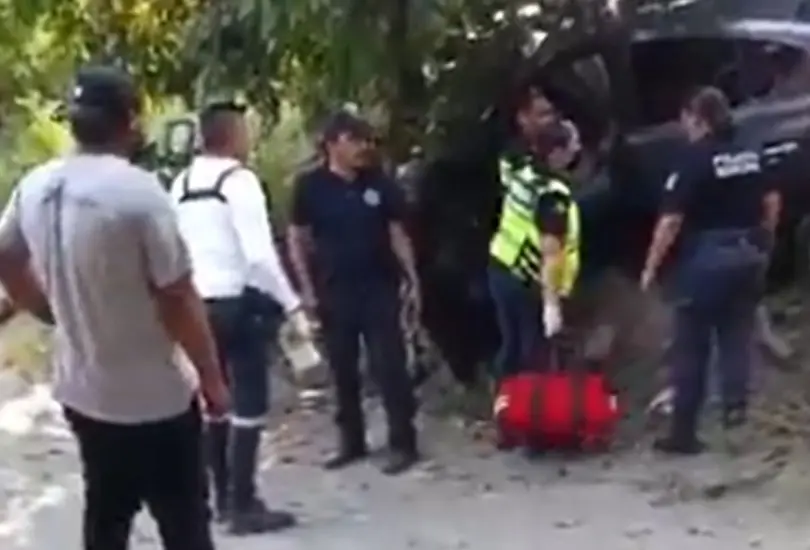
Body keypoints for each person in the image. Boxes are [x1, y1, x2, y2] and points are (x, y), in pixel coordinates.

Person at [0, 65, 229, 550]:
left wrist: (45, 309)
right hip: (155, 399)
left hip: (83, 391)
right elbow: (178, 297)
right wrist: (211, 379)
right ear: (131, 120)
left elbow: (7, 258)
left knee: (106, 512)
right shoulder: (139, 195)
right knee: (184, 520)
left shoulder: (36, 185)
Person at [170, 99, 309, 534]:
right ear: (231, 136)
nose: (250, 138)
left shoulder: (180, 183)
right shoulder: (240, 180)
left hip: (195, 304)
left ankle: (222, 497)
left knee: (214, 399)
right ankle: (244, 503)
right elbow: (259, 257)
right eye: (245, 130)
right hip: (235, 302)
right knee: (250, 400)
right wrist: (292, 304)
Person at [641, 86, 780, 455]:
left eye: (686, 119)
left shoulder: (693, 159)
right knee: (736, 336)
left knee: (690, 345)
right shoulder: (750, 151)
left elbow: (670, 221)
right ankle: (735, 412)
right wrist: (766, 240)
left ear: (697, 118)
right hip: (749, 253)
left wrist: (651, 268)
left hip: (706, 260)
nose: (683, 127)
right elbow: (772, 199)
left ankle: (683, 434)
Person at [288, 110, 420, 475]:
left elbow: (397, 233)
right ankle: (352, 441)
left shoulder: (379, 183)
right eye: (355, 140)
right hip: (334, 289)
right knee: (343, 368)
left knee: (389, 365)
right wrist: (305, 288)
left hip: (379, 285)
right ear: (333, 144)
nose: (363, 148)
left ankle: (402, 441)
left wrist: (412, 277)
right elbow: (299, 239)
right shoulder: (310, 186)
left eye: (366, 141)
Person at [487, 87, 581, 384]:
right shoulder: (552, 195)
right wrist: (552, 307)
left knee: (512, 349)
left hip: (501, 267)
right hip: (528, 279)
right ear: (556, 152)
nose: (577, 149)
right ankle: (528, 419)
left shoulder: (525, 172)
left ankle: (505, 409)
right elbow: (551, 253)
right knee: (533, 357)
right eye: (572, 145)